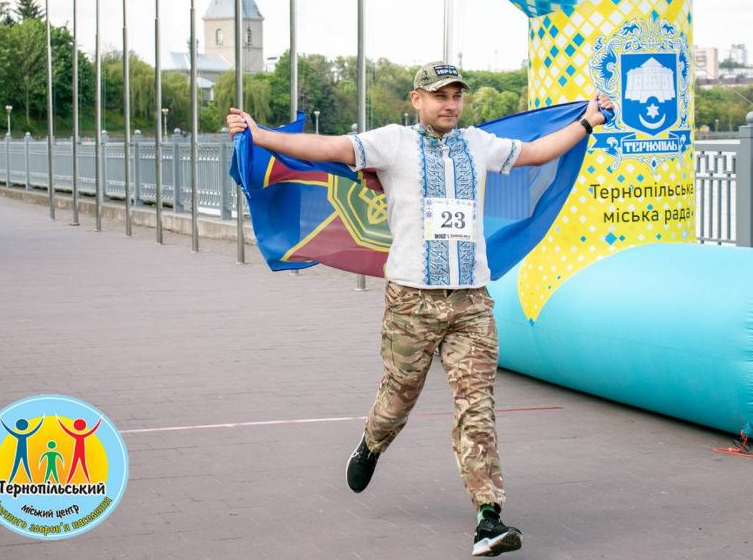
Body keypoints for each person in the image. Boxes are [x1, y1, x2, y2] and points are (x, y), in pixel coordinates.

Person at [227, 62, 614, 557]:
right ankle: (371, 443)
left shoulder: (478, 144)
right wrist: (260, 136)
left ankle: (488, 518)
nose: (450, 104)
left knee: (477, 407)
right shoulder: (393, 143)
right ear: (417, 99)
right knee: (399, 397)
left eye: (456, 96)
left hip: (471, 302)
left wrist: (586, 123)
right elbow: (329, 149)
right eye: (439, 95)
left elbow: (536, 153)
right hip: (411, 302)